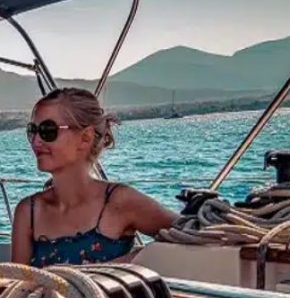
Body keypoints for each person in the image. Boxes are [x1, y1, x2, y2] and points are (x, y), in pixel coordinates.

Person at [10, 87, 177, 267]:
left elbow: (192, 235)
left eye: (47, 130)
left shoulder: (119, 201)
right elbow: (17, 287)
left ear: (85, 137)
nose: (36, 141)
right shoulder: (28, 211)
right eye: (32, 130)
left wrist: (128, 262)